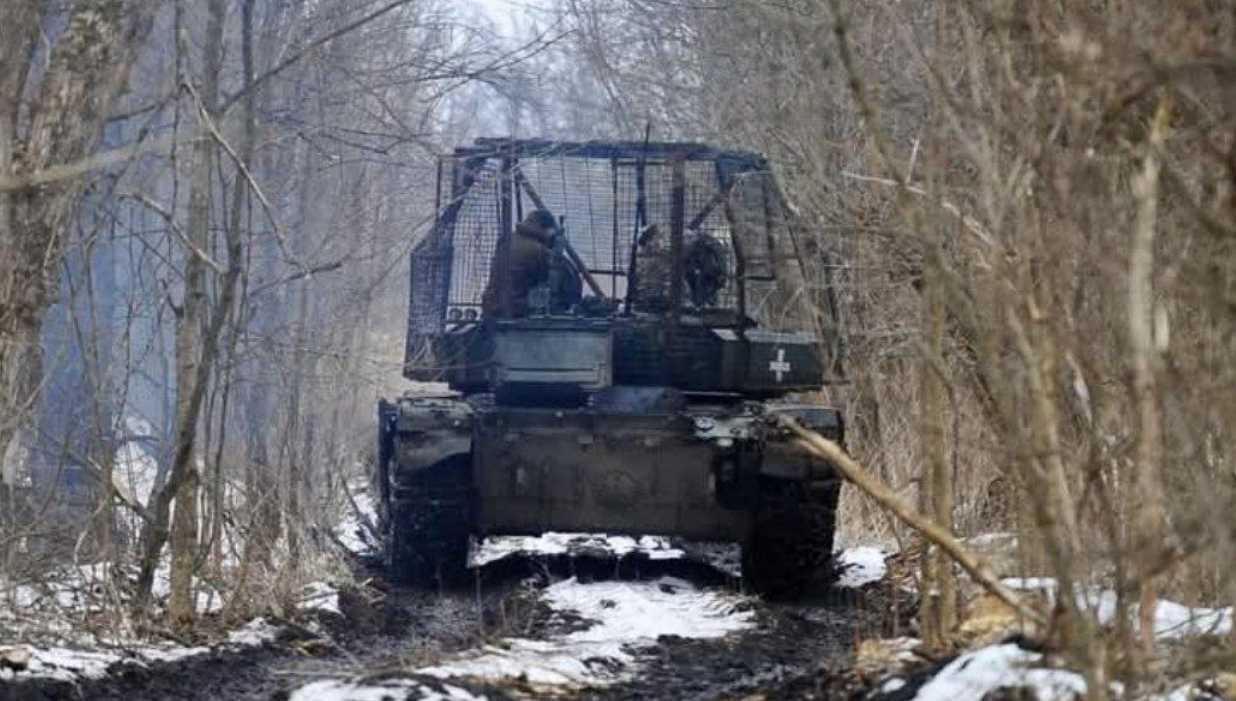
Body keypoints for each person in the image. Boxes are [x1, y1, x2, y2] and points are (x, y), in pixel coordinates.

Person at [481, 210, 556, 319]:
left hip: (491, 304)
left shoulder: (506, 240)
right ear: (544, 228)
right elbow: (543, 279)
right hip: (517, 308)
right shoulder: (539, 250)